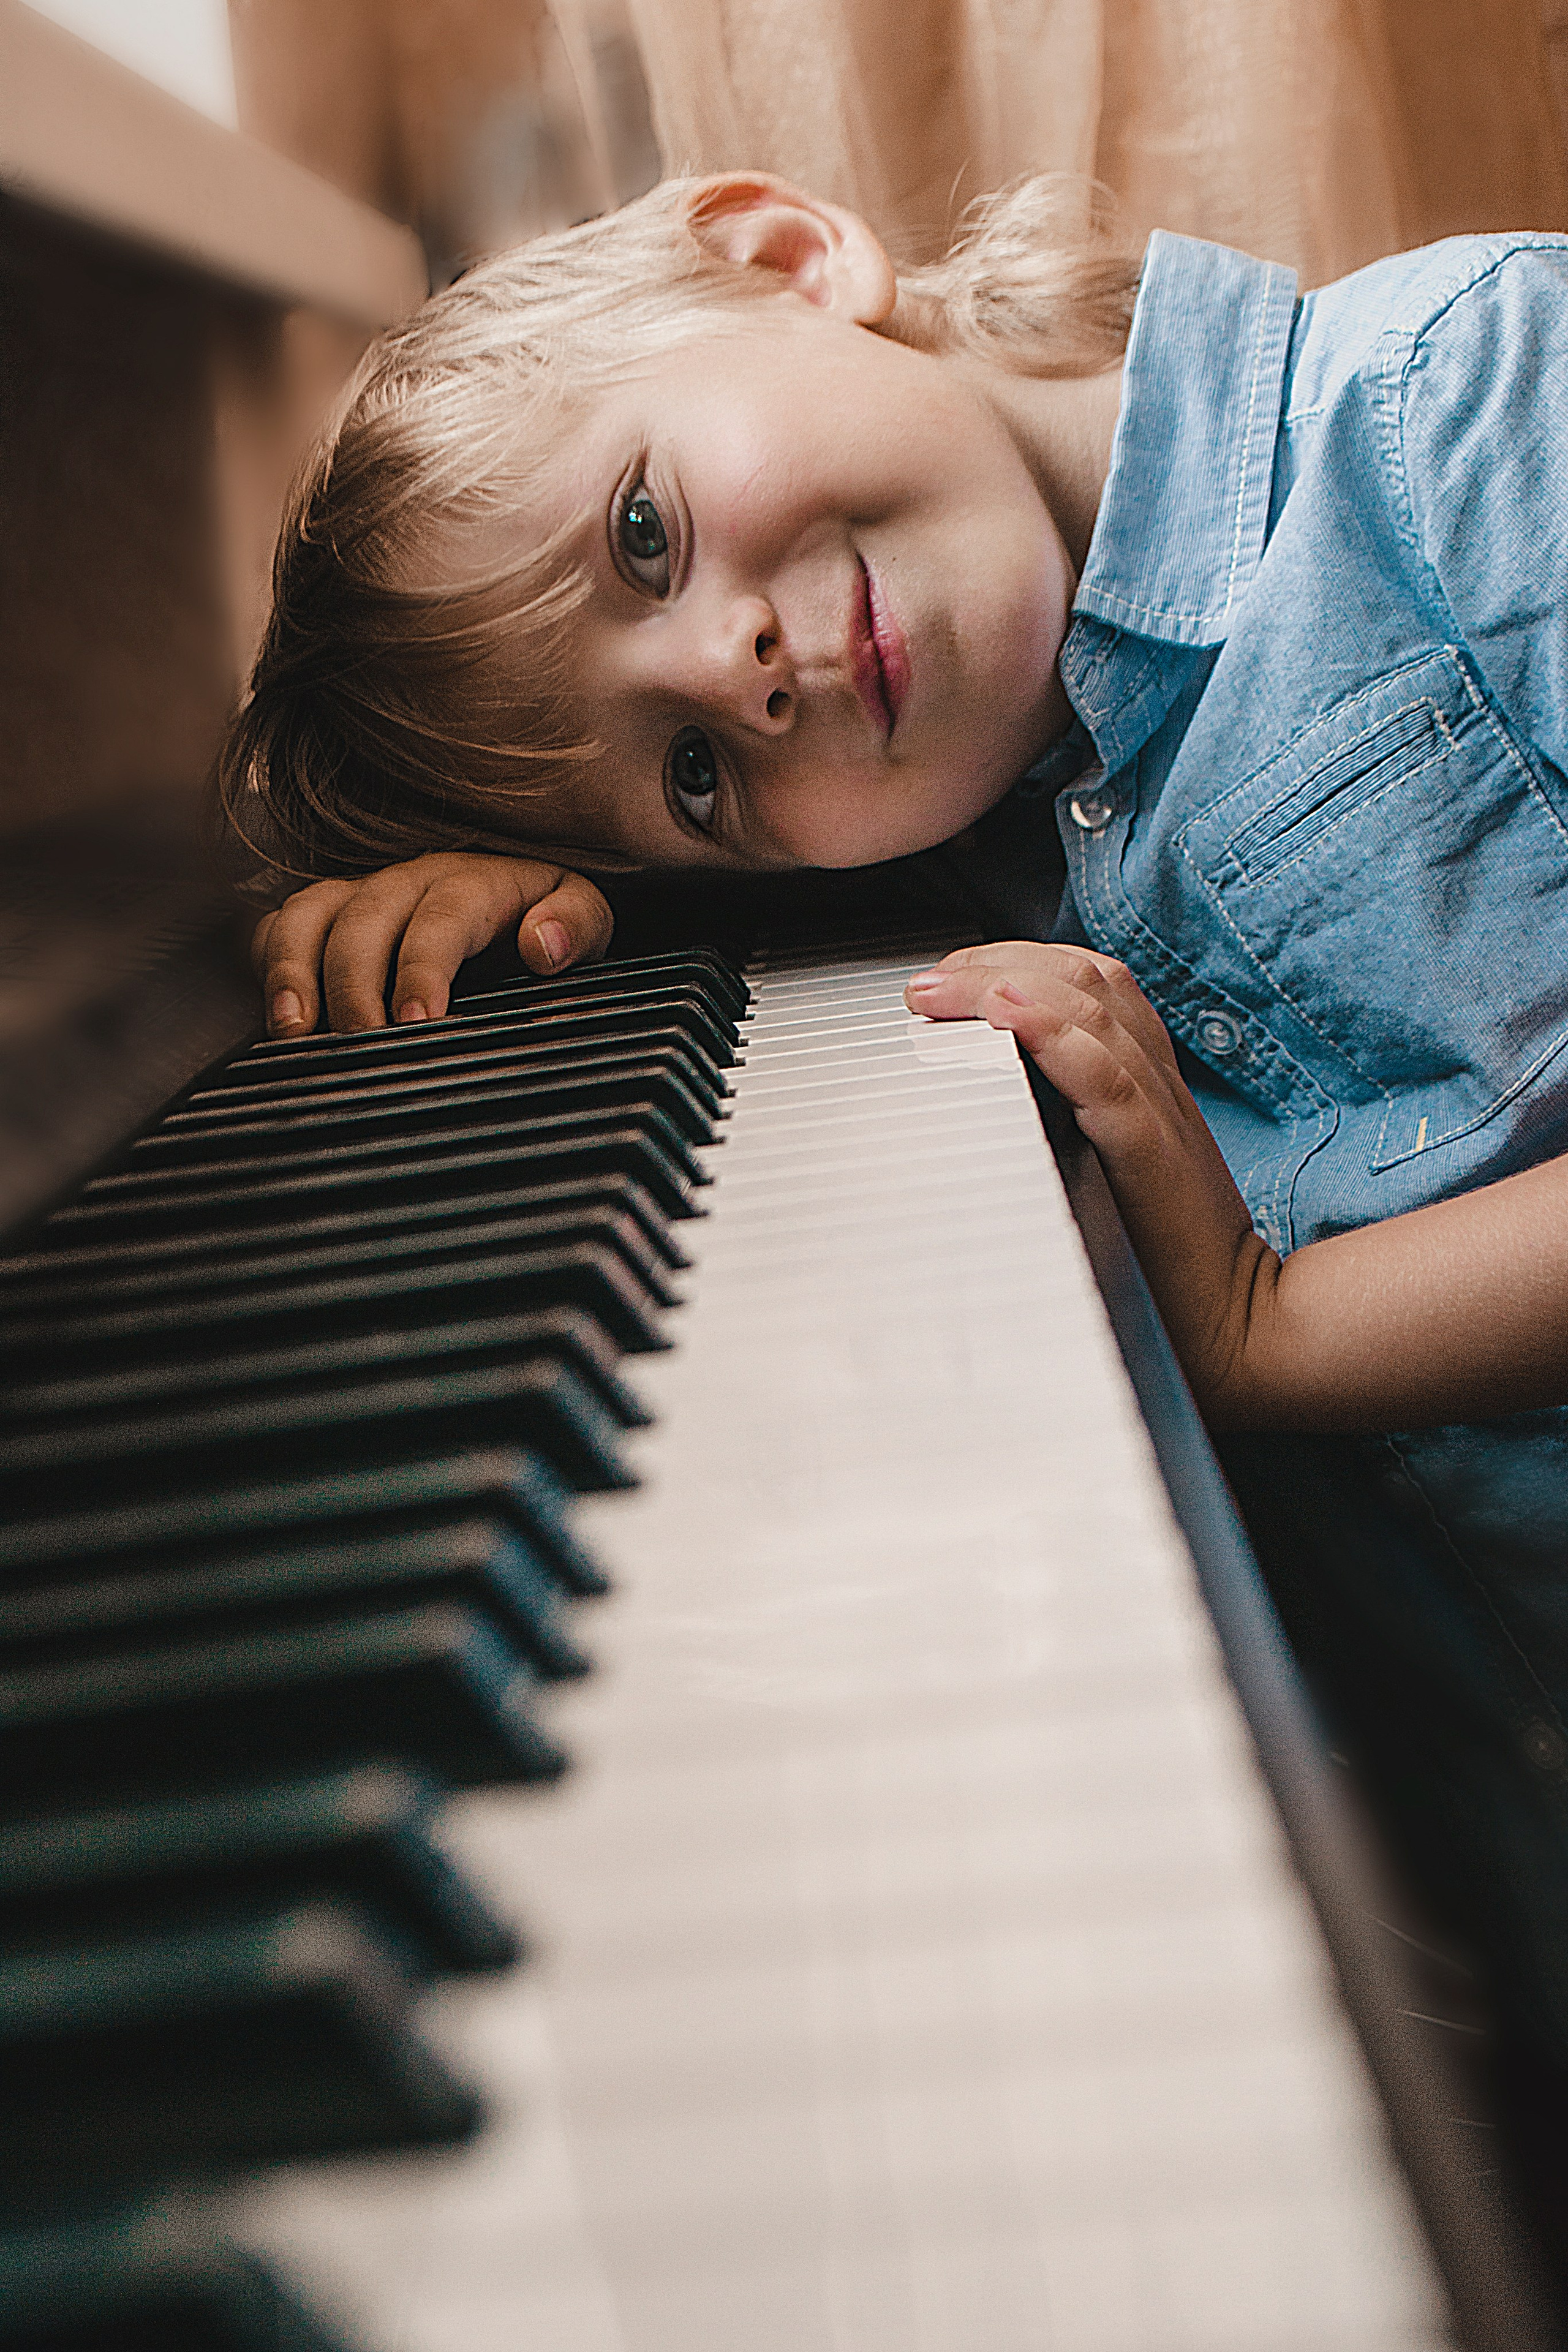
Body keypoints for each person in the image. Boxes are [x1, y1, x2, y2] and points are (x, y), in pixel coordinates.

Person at [228, 168, 1568, 2073]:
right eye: (686, 774)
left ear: (784, 256)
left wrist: (1279, 1332)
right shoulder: (984, 808)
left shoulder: (1478, 393)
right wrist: (561, 920)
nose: (734, 675)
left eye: (640, 532)